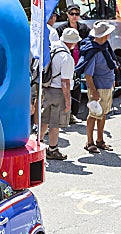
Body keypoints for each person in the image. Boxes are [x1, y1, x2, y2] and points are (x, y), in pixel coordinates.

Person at [39, 28, 81, 160]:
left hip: (46, 88)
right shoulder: (67, 58)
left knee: (44, 120)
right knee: (55, 123)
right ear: (72, 43)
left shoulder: (52, 47)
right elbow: (65, 83)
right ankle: (53, 149)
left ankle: (37, 145)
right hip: (58, 92)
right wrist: (68, 101)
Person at [77, 21, 117, 153]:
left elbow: (110, 66)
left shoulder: (104, 47)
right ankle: (90, 142)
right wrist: (94, 91)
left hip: (106, 87)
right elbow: (88, 75)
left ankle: (100, 140)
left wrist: (113, 80)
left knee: (103, 114)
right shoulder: (93, 51)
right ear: (104, 35)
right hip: (98, 89)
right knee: (94, 115)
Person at [57, 4, 91, 125]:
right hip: (65, 61)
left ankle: (73, 114)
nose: (74, 16)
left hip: (78, 61)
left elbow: (89, 42)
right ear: (67, 14)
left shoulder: (84, 28)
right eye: (72, 14)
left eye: (77, 14)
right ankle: (63, 115)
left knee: (76, 88)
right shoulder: (61, 29)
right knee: (65, 88)